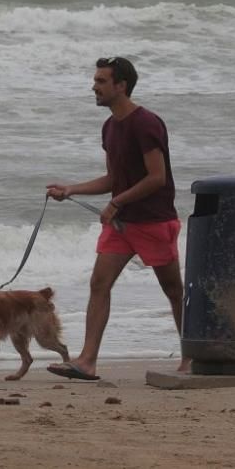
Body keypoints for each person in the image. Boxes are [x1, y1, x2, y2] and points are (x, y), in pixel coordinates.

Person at [45, 56, 189, 380]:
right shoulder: (110, 126)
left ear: (121, 86)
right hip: (122, 225)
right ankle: (87, 361)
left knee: (173, 289)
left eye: (100, 81)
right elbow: (114, 178)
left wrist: (118, 203)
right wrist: (71, 190)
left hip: (154, 221)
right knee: (99, 283)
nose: (93, 87)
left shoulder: (146, 123)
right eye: (95, 80)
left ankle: (191, 356)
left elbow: (157, 177)